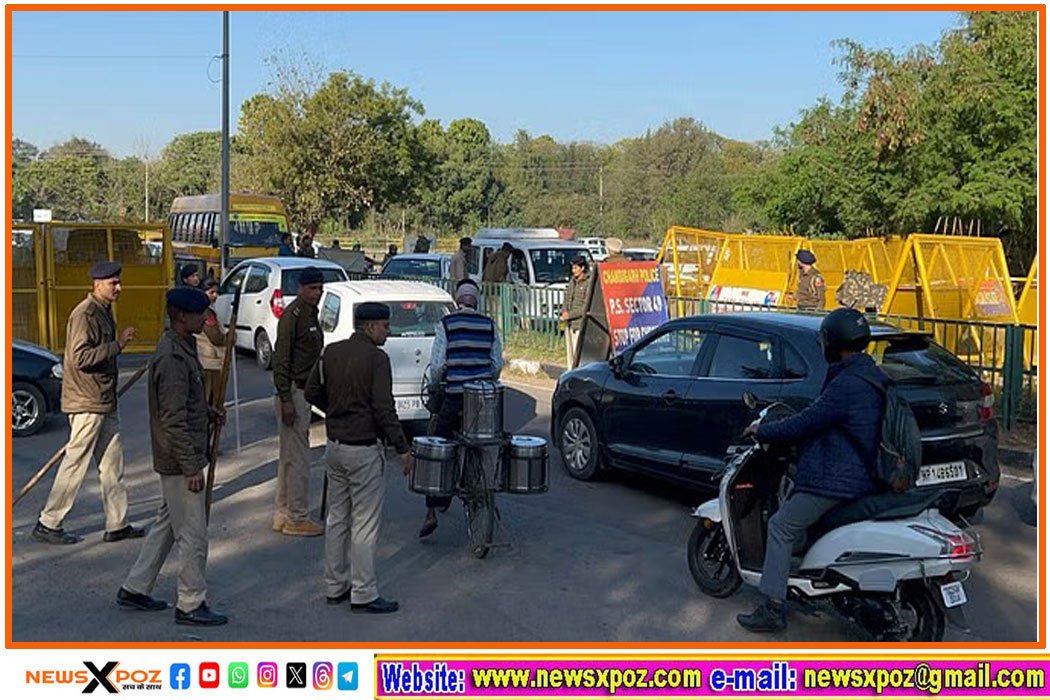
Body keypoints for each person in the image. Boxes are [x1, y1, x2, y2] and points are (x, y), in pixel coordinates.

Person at [736, 308, 885, 633]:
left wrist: (762, 431)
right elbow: (821, 414)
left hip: (837, 478)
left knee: (780, 526)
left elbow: (807, 422)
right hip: (857, 471)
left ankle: (773, 607)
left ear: (832, 343)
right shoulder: (868, 374)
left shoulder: (848, 383)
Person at [116, 286, 228, 626]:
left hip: (179, 455)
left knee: (165, 526)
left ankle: (135, 587)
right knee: (193, 534)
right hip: (180, 460)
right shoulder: (173, 358)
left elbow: (184, 404)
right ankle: (191, 604)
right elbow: (172, 418)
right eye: (199, 316)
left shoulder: (182, 346)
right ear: (181, 317)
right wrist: (191, 465)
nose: (204, 320)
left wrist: (207, 410)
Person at [304, 302, 414, 614]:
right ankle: (363, 591)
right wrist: (403, 448)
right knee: (364, 523)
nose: (388, 332)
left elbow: (312, 391)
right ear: (369, 327)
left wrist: (336, 410)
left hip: (335, 445)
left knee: (338, 517)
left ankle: (334, 584)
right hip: (364, 448)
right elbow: (383, 407)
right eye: (384, 326)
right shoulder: (377, 359)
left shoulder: (332, 352)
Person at [33, 261, 144, 546]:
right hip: (87, 402)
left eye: (119, 282)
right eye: (113, 284)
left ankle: (117, 523)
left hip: (103, 400)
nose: (119, 288)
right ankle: (49, 521)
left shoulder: (103, 311)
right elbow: (80, 358)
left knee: (112, 464)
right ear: (97, 285)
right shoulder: (85, 315)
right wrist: (118, 346)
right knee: (75, 463)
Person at [418, 280, 503, 539]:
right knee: (479, 440)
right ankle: (477, 483)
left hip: (454, 396)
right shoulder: (489, 325)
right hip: (481, 400)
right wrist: (482, 378)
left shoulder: (447, 325)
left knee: (438, 445)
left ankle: (431, 511)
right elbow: (497, 364)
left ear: (457, 303)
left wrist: (436, 385)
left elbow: (437, 366)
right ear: (476, 302)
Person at [271, 266, 326, 537]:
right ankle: (297, 516)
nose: (317, 293)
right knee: (299, 458)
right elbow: (281, 359)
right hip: (293, 390)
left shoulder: (310, 313)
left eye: (320, 288)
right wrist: (285, 399)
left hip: (304, 391)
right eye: (312, 288)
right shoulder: (293, 316)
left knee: (290, 458)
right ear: (301, 288)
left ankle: (283, 511)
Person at [194, 278, 227, 408]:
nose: (215, 296)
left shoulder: (201, 309)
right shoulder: (206, 312)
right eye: (211, 292)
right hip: (210, 363)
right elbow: (216, 337)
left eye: (216, 293)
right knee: (211, 403)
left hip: (205, 360)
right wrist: (229, 338)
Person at [560, 255, 591, 370]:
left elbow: (585, 305)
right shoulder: (572, 281)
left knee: (577, 351)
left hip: (579, 323)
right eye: (572, 268)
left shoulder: (588, 282)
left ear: (582, 268)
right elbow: (567, 298)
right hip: (568, 323)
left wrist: (571, 315)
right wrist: (564, 311)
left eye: (576, 268)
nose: (574, 271)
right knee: (570, 352)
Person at [482, 242, 513, 318]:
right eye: (509, 253)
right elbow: (500, 275)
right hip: (495, 288)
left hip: (487, 286)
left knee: (489, 310)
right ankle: (498, 327)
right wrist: (507, 284)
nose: (509, 256)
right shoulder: (501, 260)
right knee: (497, 310)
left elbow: (485, 271)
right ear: (506, 252)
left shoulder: (492, 256)